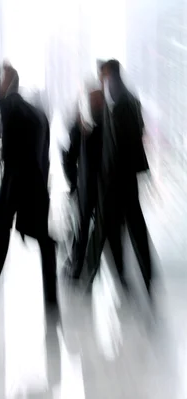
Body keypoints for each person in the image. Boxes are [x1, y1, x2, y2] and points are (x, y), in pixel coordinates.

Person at [0, 64, 57, 306]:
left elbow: (0, 101)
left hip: (15, 179)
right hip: (37, 182)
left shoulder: (11, 105)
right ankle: (51, 296)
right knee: (40, 236)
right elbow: (46, 156)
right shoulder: (39, 114)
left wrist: (5, 80)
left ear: (8, 83)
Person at [85, 59, 153, 292]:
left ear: (110, 73)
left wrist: (108, 171)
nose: (102, 79)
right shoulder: (130, 99)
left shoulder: (120, 101)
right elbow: (139, 131)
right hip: (126, 173)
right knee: (127, 224)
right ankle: (143, 273)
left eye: (103, 74)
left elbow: (118, 143)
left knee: (109, 224)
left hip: (116, 175)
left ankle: (89, 273)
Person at [61, 84, 106, 280]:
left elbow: (70, 157)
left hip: (93, 185)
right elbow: (70, 158)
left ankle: (81, 265)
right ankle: (80, 265)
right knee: (83, 227)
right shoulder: (85, 126)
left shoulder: (88, 126)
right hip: (89, 185)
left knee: (84, 227)